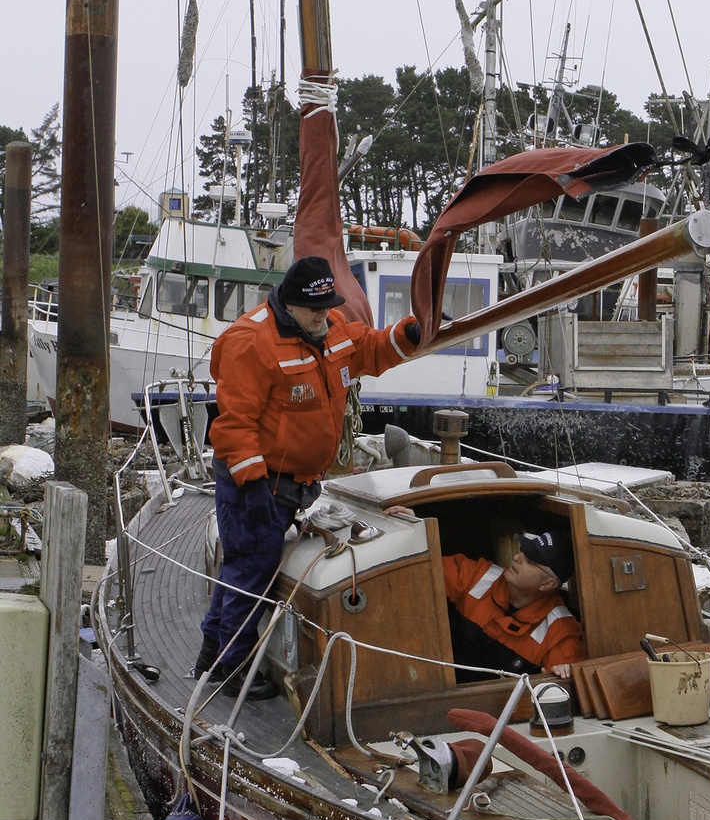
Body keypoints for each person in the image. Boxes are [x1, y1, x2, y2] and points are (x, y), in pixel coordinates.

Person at [193, 255, 420, 699]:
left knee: (243, 568)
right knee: (250, 572)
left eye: (327, 306)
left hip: (292, 483)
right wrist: (253, 484)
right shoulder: (251, 342)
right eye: (314, 308)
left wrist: (409, 333)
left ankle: (211, 655)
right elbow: (233, 424)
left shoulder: (329, 329)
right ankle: (231, 668)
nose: (324, 315)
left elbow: (370, 349)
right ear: (290, 304)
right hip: (260, 483)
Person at [441, 530, 584, 683]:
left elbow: (558, 692)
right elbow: (424, 570)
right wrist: (413, 530)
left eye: (530, 561)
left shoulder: (561, 634)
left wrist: (560, 673)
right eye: (523, 551)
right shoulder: (476, 575)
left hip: (495, 706)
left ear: (547, 584)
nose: (517, 558)